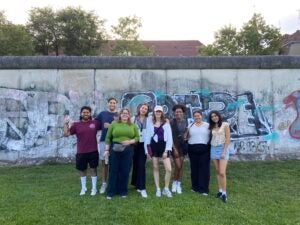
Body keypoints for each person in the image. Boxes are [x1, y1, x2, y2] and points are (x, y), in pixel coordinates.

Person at [64, 106, 101, 196]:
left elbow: (105, 128)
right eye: (84, 112)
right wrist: (65, 123)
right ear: (81, 114)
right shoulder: (76, 125)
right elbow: (66, 134)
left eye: (87, 112)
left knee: (93, 169)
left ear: (90, 113)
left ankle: (94, 189)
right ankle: (83, 188)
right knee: (82, 170)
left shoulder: (95, 123)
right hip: (81, 151)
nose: (86, 114)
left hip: (93, 150)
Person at [104, 108, 139, 199]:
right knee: (113, 170)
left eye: (126, 113)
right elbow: (108, 137)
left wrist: (130, 141)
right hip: (115, 148)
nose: (125, 115)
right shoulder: (114, 124)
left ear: (129, 115)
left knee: (125, 171)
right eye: (123, 113)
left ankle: (123, 191)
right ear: (120, 115)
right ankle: (111, 191)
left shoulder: (133, 125)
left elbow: (137, 137)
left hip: (128, 150)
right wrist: (107, 150)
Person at [145, 105, 173, 198]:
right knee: (155, 167)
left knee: (168, 169)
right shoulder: (150, 122)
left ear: (162, 113)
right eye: (156, 111)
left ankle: (166, 188)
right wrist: (147, 150)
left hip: (164, 146)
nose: (158, 113)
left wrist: (166, 150)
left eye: (159, 112)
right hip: (154, 146)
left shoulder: (166, 123)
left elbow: (169, 138)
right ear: (154, 112)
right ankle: (158, 189)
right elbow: (147, 137)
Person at [95, 97, 118, 194]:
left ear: (116, 104)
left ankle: (113, 183)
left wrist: (112, 126)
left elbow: (124, 126)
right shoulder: (102, 114)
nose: (112, 104)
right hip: (104, 141)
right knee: (104, 163)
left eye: (114, 103)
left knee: (114, 164)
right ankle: (104, 184)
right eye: (110, 103)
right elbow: (95, 124)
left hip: (116, 142)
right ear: (107, 103)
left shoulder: (119, 115)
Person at [208, 110, 231, 203]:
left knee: (222, 172)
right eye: (212, 116)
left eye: (215, 116)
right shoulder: (211, 127)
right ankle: (220, 191)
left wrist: (224, 151)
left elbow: (228, 138)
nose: (214, 117)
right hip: (213, 148)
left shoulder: (225, 125)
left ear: (219, 116)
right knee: (217, 171)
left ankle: (225, 193)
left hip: (222, 148)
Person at [187, 110, 210, 195]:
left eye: (198, 115)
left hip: (204, 149)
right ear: (193, 117)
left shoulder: (207, 125)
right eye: (195, 116)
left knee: (204, 169)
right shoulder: (190, 126)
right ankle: (195, 187)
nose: (197, 117)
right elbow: (187, 137)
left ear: (201, 116)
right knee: (194, 169)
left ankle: (204, 189)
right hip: (192, 148)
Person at [131, 103, 150, 198]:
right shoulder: (133, 119)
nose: (144, 110)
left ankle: (142, 187)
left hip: (144, 145)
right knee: (135, 164)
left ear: (147, 111)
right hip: (134, 144)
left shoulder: (149, 119)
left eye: (146, 109)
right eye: (142, 108)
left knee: (141, 165)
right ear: (139, 108)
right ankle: (136, 183)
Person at [170, 104, 188, 194]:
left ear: (183, 113)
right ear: (174, 113)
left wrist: (185, 136)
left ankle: (178, 184)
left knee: (181, 166)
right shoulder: (171, 122)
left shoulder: (185, 122)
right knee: (178, 166)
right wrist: (174, 148)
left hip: (182, 146)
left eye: (180, 112)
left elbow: (186, 132)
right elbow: (169, 137)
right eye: (177, 112)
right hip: (174, 146)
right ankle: (174, 183)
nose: (178, 113)